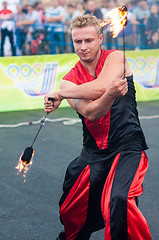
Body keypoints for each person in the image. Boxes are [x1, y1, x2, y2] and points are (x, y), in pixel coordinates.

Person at [44, 14, 151, 240]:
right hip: (93, 153)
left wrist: (61, 94)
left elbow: (101, 86)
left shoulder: (116, 57)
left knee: (120, 200)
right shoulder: (69, 80)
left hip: (127, 146)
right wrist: (109, 95)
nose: (83, 47)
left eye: (89, 41)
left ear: (100, 39)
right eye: (77, 42)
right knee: (72, 210)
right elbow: (92, 113)